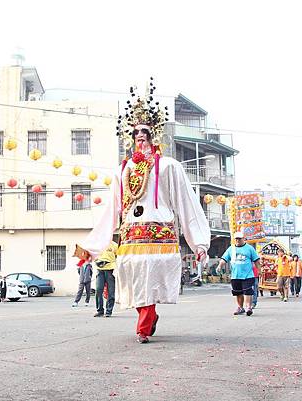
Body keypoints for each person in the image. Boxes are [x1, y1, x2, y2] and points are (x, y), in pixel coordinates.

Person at [75, 90, 210, 344]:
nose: (140, 137)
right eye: (136, 133)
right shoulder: (122, 170)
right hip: (131, 236)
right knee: (135, 278)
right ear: (131, 138)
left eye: (144, 133)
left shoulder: (169, 166)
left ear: (153, 136)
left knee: (149, 277)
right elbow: (111, 210)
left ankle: (144, 327)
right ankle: (148, 318)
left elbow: (187, 203)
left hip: (159, 234)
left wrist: (199, 243)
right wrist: (90, 249)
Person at [217, 231, 260, 315]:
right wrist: (219, 266)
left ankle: (248, 307)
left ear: (243, 239)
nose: (238, 240)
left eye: (239, 239)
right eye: (236, 239)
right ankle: (240, 307)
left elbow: (256, 260)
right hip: (235, 275)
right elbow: (224, 259)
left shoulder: (249, 248)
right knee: (238, 292)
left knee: (248, 291)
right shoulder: (231, 249)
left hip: (248, 275)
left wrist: (260, 270)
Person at [94, 241, 118, 317]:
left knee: (111, 292)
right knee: (98, 290)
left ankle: (109, 311)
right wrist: (97, 261)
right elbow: (93, 255)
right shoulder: (98, 244)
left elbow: (119, 257)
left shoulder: (114, 245)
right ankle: (100, 310)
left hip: (110, 270)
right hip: (100, 269)